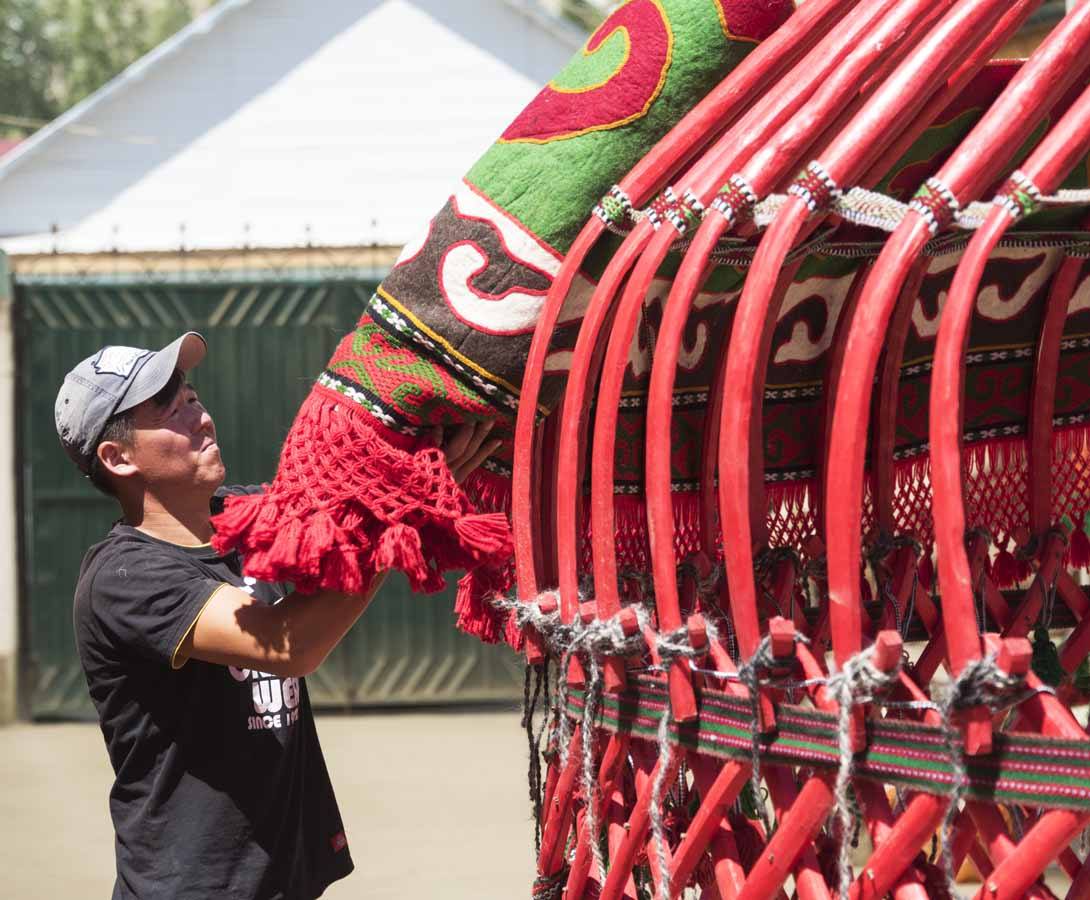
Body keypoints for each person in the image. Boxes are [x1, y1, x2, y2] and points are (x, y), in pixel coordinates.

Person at [55, 332, 500, 900]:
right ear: (117, 458)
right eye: (165, 404)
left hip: (285, 879)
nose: (195, 408)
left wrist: (434, 438)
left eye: (188, 391)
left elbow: (349, 505)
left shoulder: (242, 515)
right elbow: (288, 645)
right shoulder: (124, 578)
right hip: (196, 887)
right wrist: (403, 515)